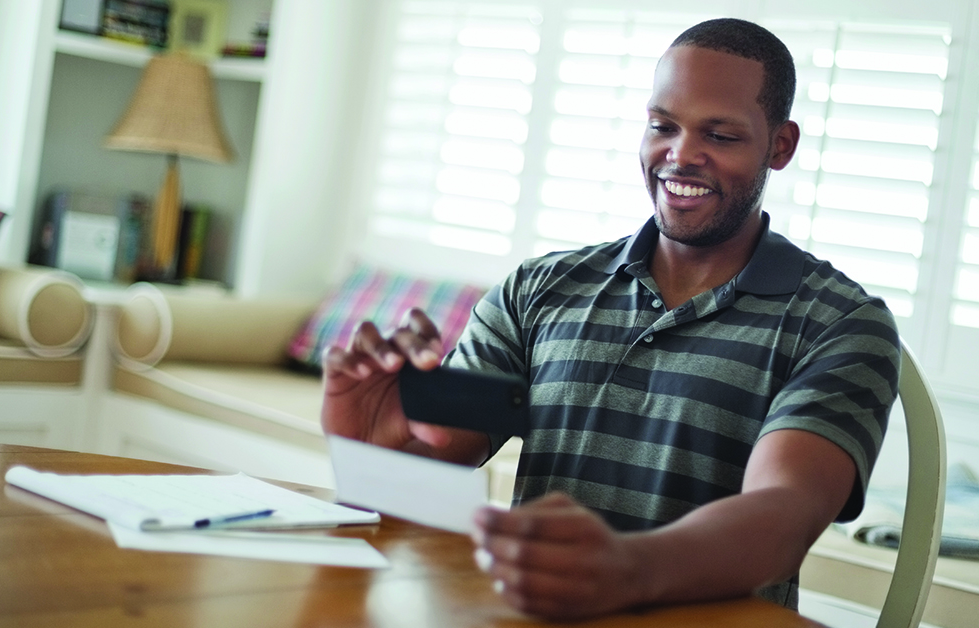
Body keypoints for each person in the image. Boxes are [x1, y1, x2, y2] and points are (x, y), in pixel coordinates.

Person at [321, 17, 899, 620]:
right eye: (662, 127)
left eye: (720, 135)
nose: (680, 155)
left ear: (780, 146)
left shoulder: (840, 324)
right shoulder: (538, 290)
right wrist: (373, 452)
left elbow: (784, 516)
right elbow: (435, 463)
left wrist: (628, 570)